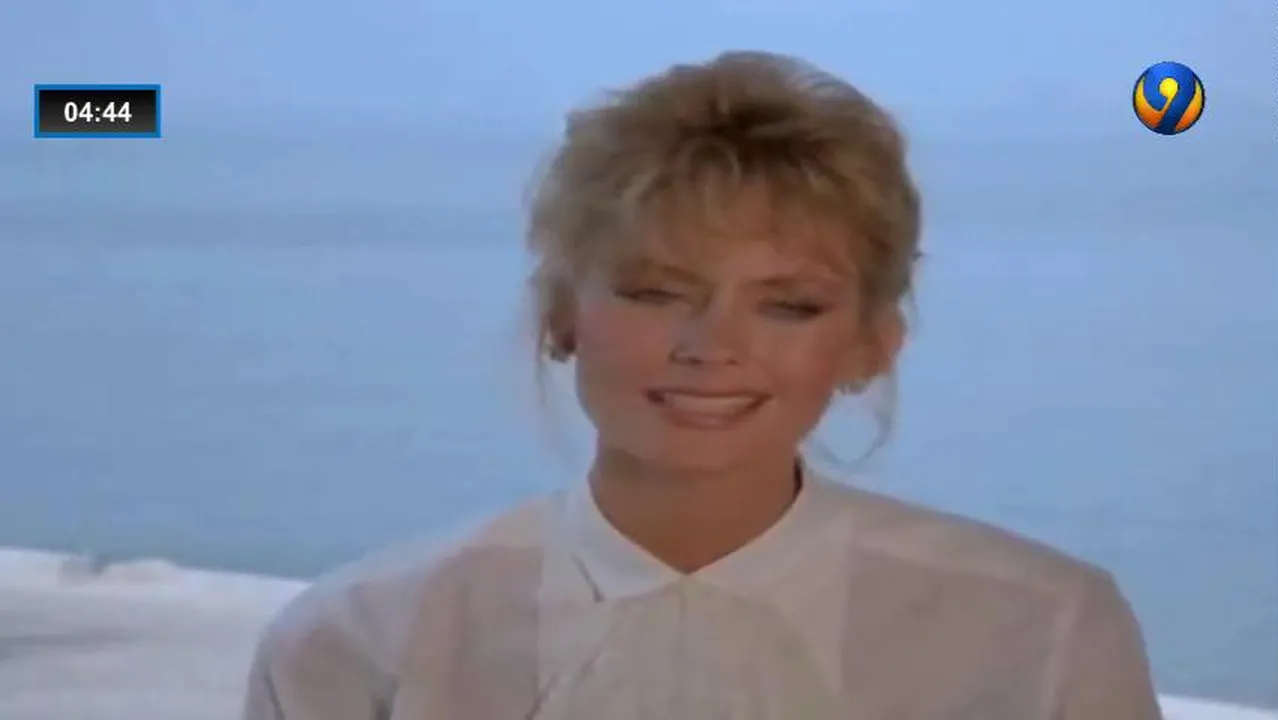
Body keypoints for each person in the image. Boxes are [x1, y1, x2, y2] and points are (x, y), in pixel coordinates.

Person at [241, 51, 1163, 719]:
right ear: (561, 315)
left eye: (788, 305)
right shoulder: (363, 637)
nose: (712, 347)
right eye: (655, 292)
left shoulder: (1041, 631)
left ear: (871, 344)